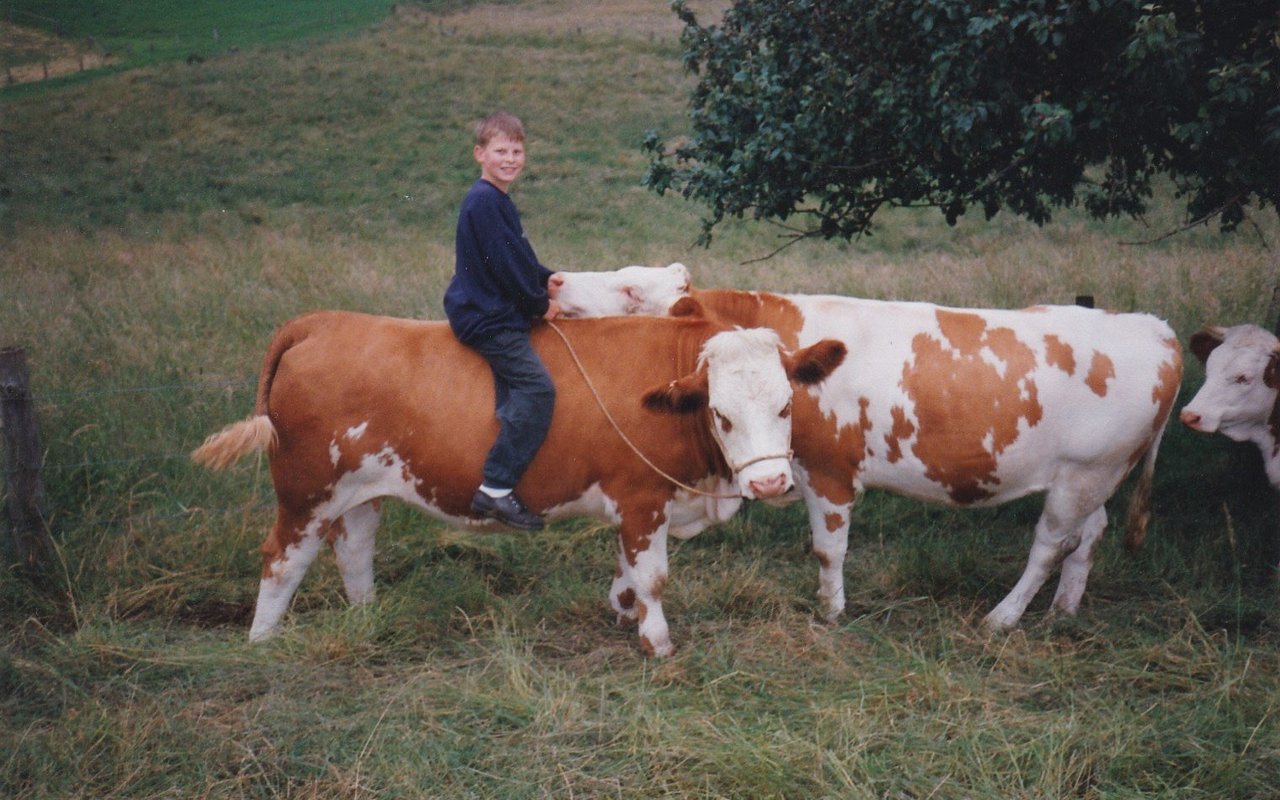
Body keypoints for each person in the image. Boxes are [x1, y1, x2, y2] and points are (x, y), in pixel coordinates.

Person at [444, 111, 563, 531]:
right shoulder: (484, 202)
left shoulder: (495, 200)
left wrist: (547, 278)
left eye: (516, 151)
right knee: (538, 388)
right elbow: (506, 269)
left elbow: (519, 258)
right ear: (480, 154)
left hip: (491, 306)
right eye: (500, 151)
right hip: (488, 316)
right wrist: (537, 304)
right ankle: (495, 488)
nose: (510, 159)